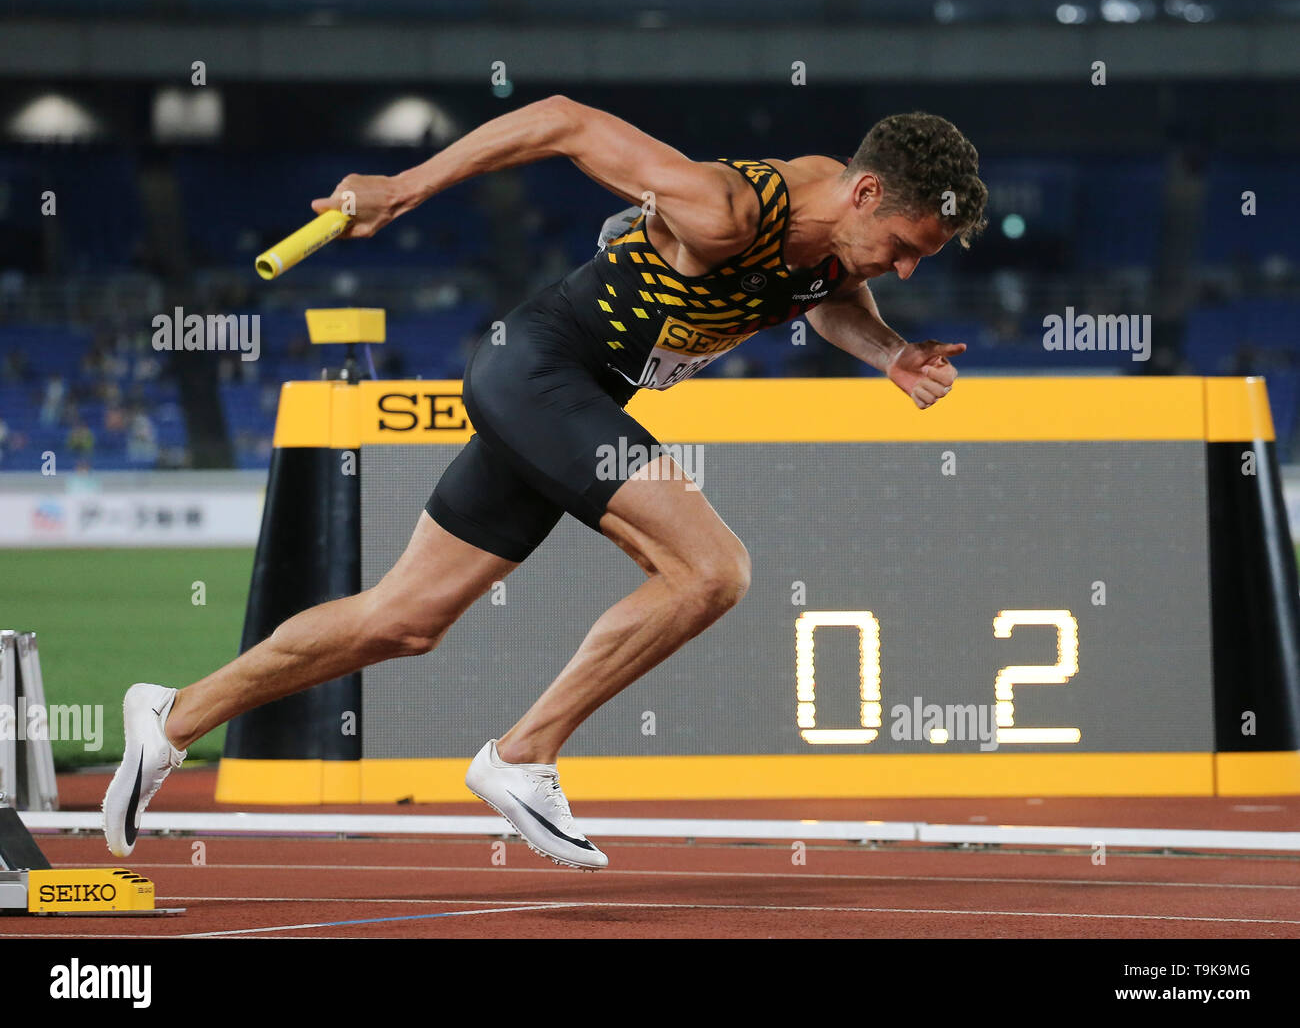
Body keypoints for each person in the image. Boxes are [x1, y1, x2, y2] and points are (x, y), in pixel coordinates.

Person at [103, 96, 987, 870]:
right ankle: (522, 753)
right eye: (906, 248)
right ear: (867, 194)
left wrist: (893, 353)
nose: (906, 269)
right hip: (539, 369)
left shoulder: (842, 239)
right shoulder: (724, 208)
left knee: (403, 620)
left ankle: (174, 715)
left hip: (579, 397)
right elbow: (562, 119)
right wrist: (406, 187)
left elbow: (822, 293)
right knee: (712, 569)